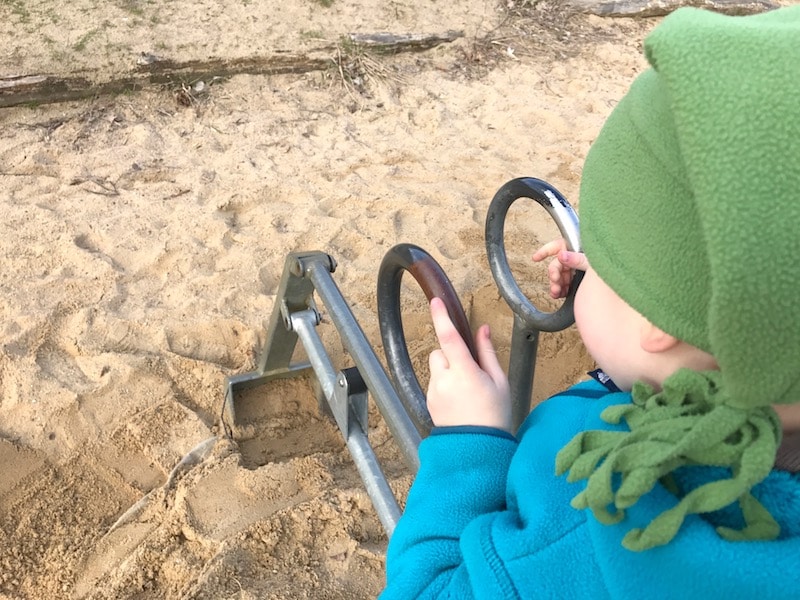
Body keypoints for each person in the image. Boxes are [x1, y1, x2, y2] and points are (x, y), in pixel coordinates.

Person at [381, 6, 800, 599]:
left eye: (601, 254)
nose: (586, 259)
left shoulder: (599, 521)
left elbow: (423, 591)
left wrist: (469, 446)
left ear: (661, 325)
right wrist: (623, 290)